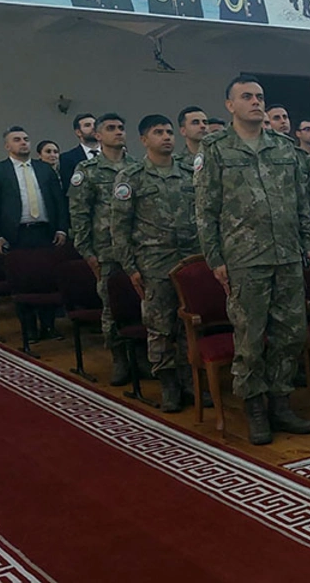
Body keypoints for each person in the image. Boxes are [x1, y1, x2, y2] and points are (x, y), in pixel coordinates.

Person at [194, 74, 310, 445]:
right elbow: (205, 209)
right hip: (244, 258)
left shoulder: (284, 147)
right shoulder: (215, 149)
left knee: (290, 334)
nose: (255, 102)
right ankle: (254, 408)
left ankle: (280, 402)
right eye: (246, 96)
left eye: (260, 96)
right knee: (249, 338)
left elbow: (301, 200)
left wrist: (308, 243)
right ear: (230, 105)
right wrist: (215, 258)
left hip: (287, 254)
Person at [111, 115, 203, 413]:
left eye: (169, 132)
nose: (166, 137)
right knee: (160, 327)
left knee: (189, 325)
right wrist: (130, 267)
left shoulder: (189, 172)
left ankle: (191, 381)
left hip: (189, 262)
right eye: (158, 132)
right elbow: (120, 227)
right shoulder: (132, 177)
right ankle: (168, 384)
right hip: (154, 263)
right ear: (144, 139)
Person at [69, 113, 139, 385]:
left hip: (137, 249)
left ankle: (142, 357)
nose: (118, 132)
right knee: (112, 308)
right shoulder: (88, 171)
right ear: (98, 135)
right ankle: (119, 358)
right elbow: (79, 214)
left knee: (143, 305)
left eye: (121, 127)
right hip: (105, 251)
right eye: (111, 128)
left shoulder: (136, 167)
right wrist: (87, 252)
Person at [0, 127, 68, 343]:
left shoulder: (44, 169)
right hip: (16, 234)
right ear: (7, 146)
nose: (23, 142)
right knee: (22, 282)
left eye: (26, 139)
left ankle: (49, 326)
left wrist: (62, 228)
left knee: (47, 279)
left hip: (44, 232)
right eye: (17, 139)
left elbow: (58, 201)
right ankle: (29, 329)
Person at [58, 113, 99, 194]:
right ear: (78, 132)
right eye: (87, 125)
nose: (93, 128)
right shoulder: (67, 158)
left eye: (95, 125)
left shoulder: (111, 154)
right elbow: (69, 189)